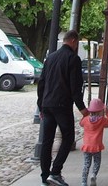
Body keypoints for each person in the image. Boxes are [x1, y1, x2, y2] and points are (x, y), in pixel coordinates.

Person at [38, 30, 89, 186]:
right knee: (68, 138)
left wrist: (40, 106)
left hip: (47, 104)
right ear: (73, 41)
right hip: (62, 105)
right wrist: (82, 108)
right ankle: (55, 172)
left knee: (47, 141)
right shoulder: (73, 59)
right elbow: (76, 86)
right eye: (77, 43)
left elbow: (41, 82)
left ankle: (44, 176)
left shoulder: (50, 58)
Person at [79, 96, 108, 186]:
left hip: (87, 146)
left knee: (86, 164)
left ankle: (83, 182)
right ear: (101, 111)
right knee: (97, 162)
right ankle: (93, 175)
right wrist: (107, 112)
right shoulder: (102, 120)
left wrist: (85, 115)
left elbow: (81, 123)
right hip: (97, 146)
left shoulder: (86, 120)